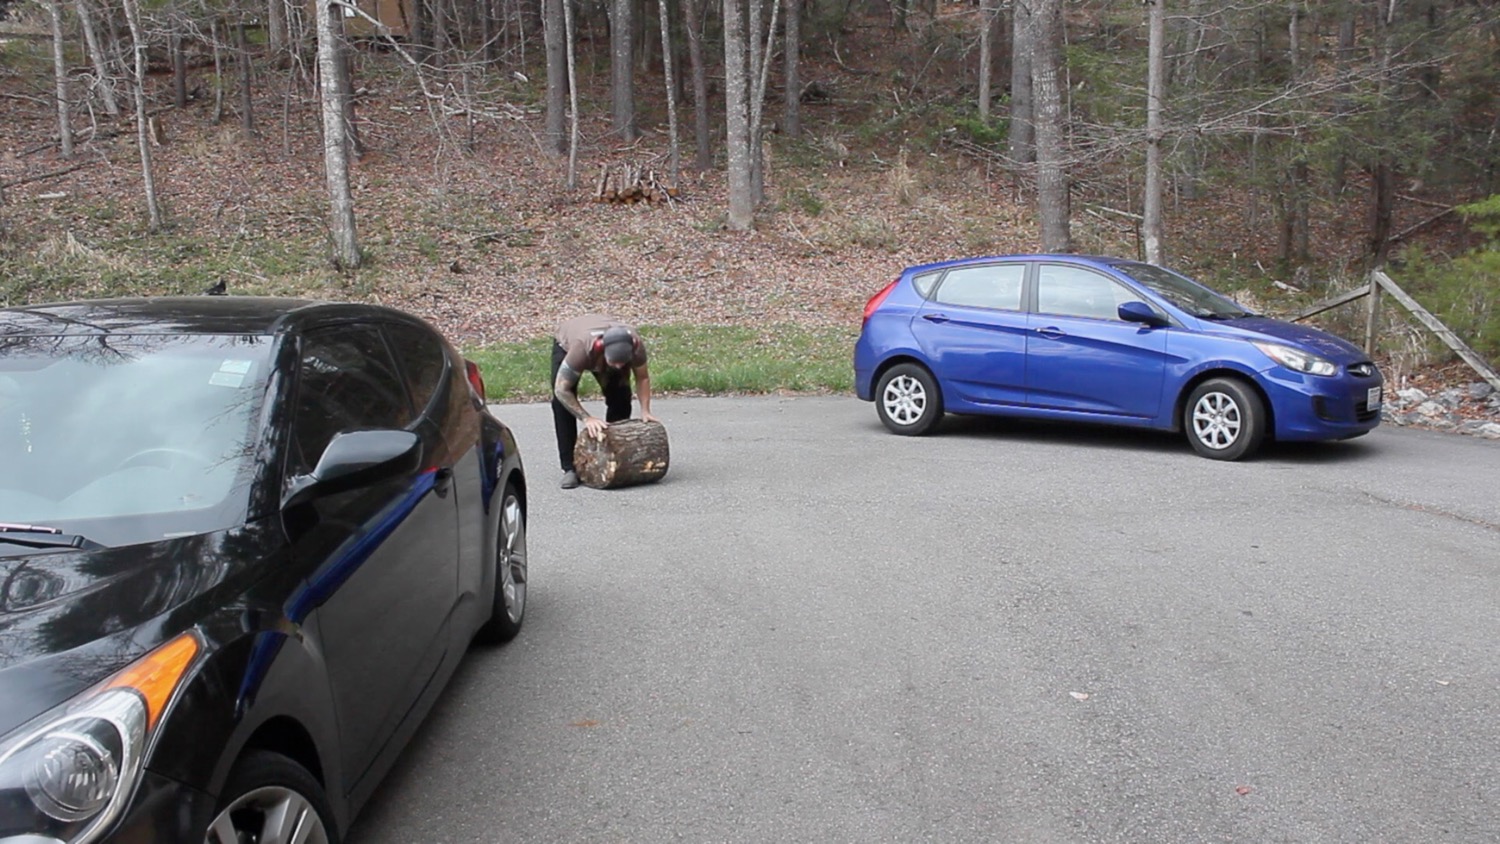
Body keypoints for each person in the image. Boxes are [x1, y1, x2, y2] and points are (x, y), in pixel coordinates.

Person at [550, 315, 658, 489]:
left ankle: (614, 452)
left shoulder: (636, 346)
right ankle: (569, 468)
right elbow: (562, 390)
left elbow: (643, 378)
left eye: (622, 363)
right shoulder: (581, 350)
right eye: (613, 363)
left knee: (621, 395)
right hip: (570, 341)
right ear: (603, 353)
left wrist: (646, 410)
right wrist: (587, 418)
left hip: (606, 348)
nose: (617, 367)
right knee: (561, 404)